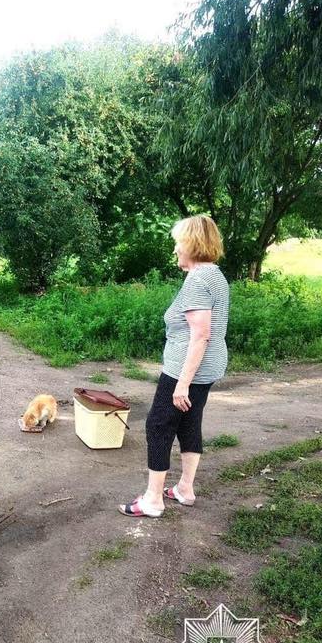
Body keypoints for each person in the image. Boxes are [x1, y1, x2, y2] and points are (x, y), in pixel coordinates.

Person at [118, 214, 230, 517]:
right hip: (208, 368)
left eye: (178, 242)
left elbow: (200, 335)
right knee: (190, 423)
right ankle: (184, 489)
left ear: (192, 244)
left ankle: (153, 500)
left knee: (158, 425)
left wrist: (182, 383)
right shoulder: (215, 275)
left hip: (187, 369)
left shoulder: (197, 280)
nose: (176, 249)